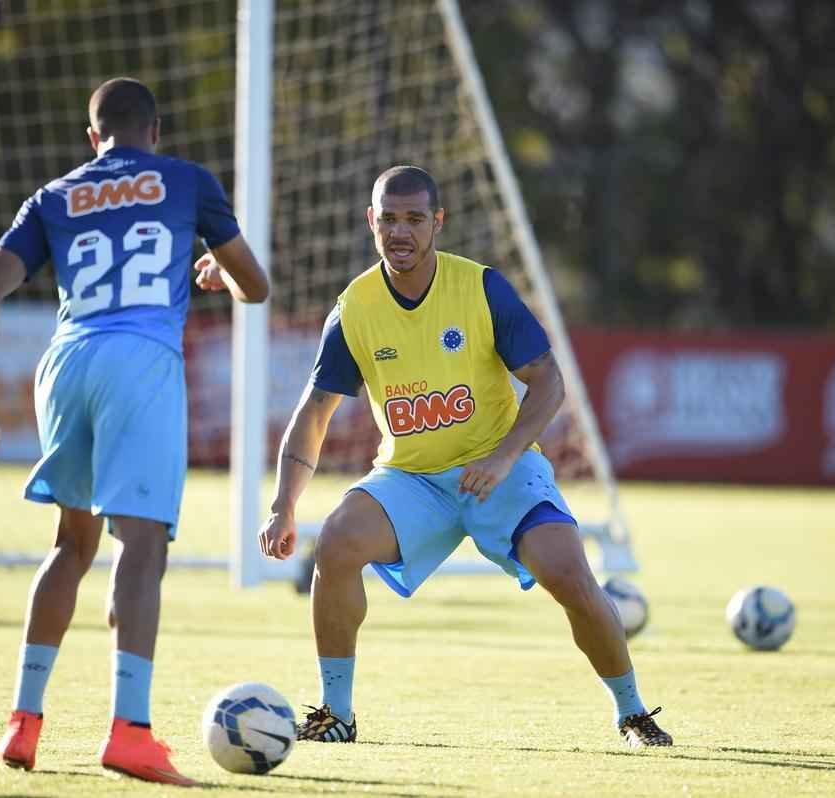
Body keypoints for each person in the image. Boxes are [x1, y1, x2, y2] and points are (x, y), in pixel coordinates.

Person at [258, 165, 672, 748]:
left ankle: (632, 713)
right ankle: (337, 714)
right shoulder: (354, 307)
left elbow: (549, 381)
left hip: (499, 467)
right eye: (389, 220)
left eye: (415, 220)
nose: (401, 232)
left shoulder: (480, 287)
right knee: (337, 542)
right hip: (413, 478)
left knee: (568, 573)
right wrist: (282, 505)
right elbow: (314, 412)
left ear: (438, 223)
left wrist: (504, 458)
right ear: (370, 221)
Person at [0, 77, 269, 785]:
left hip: (64, 364)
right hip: (141, 364)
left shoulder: (55, 195)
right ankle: (130, 731)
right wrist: (219, 269)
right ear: (154, 132)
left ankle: (23, 722)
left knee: (72, 543)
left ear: (93, 138)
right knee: (143, 544)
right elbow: (258, 287)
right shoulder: (187, 181)